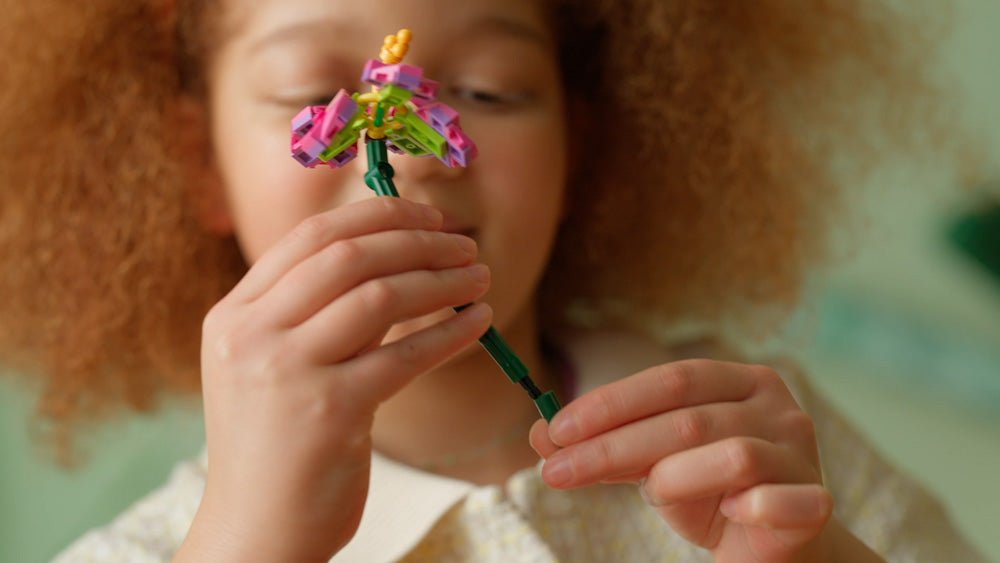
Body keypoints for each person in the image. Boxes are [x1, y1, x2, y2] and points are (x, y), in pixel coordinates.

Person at [0, 0, 987, 561]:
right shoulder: (158, 547)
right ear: (198, 163)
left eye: (488, 90)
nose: (409, 153)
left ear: (579, 149)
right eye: (313, 92)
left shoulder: (761, 442)